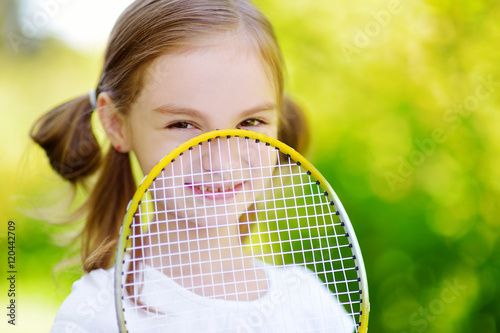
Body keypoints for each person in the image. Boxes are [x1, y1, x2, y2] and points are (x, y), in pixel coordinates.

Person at [31, 0, 354, 332]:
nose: (220, 162)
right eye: (183, 125)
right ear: (116, 124)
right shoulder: (96, 315)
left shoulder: (311, 305)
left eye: (250, 122)